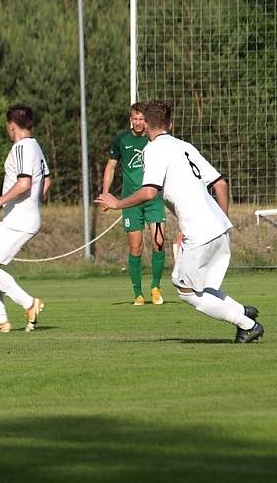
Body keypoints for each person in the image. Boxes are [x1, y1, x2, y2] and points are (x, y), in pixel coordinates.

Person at [96, 100, 264, 343]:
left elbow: (149, 192)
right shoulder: (185, 146)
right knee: (195, 284)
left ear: (147, 126)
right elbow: (221, 184)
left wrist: (116, 203)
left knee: (186, 291)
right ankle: (241, 311)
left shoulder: (153, 150)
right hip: (219, 225)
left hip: (201, 231)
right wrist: (221, 220)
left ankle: (247, 324)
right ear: (170, 124)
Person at [0, 105, 50, 334]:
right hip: (25, 216)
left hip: (19, 218)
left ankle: (29, 303)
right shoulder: (36, 146)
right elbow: (46, 180)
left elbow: (24, 183)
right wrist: (35, 204)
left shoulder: (20, 147)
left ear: (11, 125)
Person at [101, 102, 167, 306]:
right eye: (135, 119)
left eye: (141, 119)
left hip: (153, 198)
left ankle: (155, 287)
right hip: (130, 200)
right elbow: (111, 167)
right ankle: (138, 293)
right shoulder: (121, 139)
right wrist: (105, 194)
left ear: (147, 120)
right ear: (131, 119)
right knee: (135, 247)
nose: (138, 123)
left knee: (159, 242)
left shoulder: (155, 139)